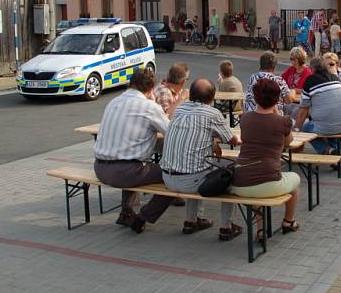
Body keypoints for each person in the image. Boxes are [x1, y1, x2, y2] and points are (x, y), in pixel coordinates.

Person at [160, 78, 244, 240]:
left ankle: (191, 221)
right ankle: (227, 227)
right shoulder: (212, 113)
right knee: (227, 173)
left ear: (191, 95)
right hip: (190, 181)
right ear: (212, 97)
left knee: (198, 164)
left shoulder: (179, 109)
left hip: (167, 177)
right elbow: (231, 140)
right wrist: (240, 139)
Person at [93, 70, 173, 234]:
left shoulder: (113, 101)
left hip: (100, 168)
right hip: (125, 172)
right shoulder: (149, 107)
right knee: (173, 177)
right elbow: (172, 133)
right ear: (151, 89)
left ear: (130, 84)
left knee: (133, 160)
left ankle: (126, 212)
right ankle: (142, 217)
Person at [231, 78, 301, 240]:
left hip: (240, 182)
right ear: (277, 99)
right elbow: (289, 143)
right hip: (268, 181)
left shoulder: (245, 118)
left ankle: (261, 230)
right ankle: (288, 221)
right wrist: (277, 114)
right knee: (295, 181)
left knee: (256, 190)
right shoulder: (282, 121)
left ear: (255, 98)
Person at [296, 57, 341, 155]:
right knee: (328, 122)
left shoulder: (310, 80)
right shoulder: (336, 78)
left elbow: (303, 109)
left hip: (328, 127)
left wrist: (296, 129)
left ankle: (327, 150)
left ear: (312, 69)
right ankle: (336, 149)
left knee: (305, 128)